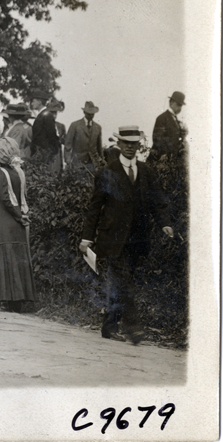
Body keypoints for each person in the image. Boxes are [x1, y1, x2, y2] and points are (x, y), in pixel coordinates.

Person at [80, 126, 173, 344]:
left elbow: (157, 202)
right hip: (113, 239)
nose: (130, 148)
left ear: (139, 145)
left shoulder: (147, 171)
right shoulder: (107, 172)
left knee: (121, 282)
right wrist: (86, 238)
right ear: (119, 144)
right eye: (126, 143)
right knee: (125, 281)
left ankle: (109, 326)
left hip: (137, 238)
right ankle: (134, 327)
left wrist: (165, 224)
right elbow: (95, 207)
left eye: (134, 144)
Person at [0, 137, 36, 312]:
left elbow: (6, 199)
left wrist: (18, 217)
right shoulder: (15, 172)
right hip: (13, 223)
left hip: (3, 221)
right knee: (12, 259)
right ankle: (13, 301)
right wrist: (21, 217)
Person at [64, 101, 103, 170]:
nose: (91, 116)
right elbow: (68, 145)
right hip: (77, 163)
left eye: (92, 114)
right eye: (89, 113)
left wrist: (101, 160)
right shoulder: (75, 125)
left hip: (93, 164)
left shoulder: (98, 127)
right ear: (84, 112)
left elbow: (99, 146)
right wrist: (68, 160)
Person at [151, 91, 186, 161]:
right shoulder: (162, 118)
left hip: (172, 158)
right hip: (162, 158)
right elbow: (157, 138)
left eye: (181, 105)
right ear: (171, 102)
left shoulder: (176, 120)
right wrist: (164, 154)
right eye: (178, 104)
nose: (180, 108)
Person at [31, 95, 60, 165]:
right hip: (40, 153)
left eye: (33, 101)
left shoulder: (46, 115)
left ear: (39, 102)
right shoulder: (42, 114)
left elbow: (52, 134)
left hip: (43, 154)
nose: (32, 103)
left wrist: (49, 152)